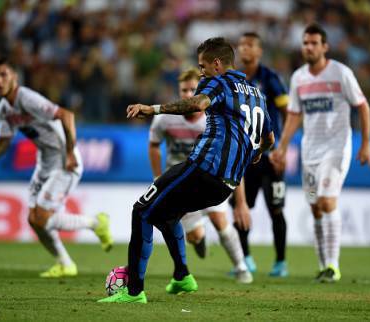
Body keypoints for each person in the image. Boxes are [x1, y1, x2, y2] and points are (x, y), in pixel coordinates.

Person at [99, 37, 274, 304]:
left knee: (142, 211)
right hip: (225, 185)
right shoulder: (258, 95)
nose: (201, 72)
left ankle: (133, 291)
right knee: (168, 215)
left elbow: (197, 104)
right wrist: (256, 153)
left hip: (204, 168)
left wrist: (152, 108)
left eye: (203, 66)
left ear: (217, 64)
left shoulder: (218, 81)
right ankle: (182, 277)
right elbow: (269, 139)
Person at [0, 57, 113, 278]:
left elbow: (66, 115)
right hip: (45, 163)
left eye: (3, 75)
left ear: (14, 76)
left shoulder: (27, 98)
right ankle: (65, 263)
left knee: (41, 216)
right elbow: (4, 141)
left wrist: (70, 152)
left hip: (65, 161)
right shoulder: (4, 109)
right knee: (33, 220)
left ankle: (96, 223)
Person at [272, 23, 370, 283]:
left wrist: (366, 143)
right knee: (315, 206)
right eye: (305, 43)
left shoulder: (341, 73)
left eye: (314, 43)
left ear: (324, 47)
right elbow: (294, 115)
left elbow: (362, 106)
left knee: (327, 201)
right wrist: (282, 147)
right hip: (310, 152)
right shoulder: (298, 78)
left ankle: (333, 265)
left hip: (336, 147)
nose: (309, 47)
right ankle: (323, 265)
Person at [149, 67, 252, 284]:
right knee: (194, 236)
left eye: (192, 90)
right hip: (181, 183)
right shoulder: (166, 120)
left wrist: (241, 202)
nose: (187, 94)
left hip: (211, 178)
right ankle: (200, 239)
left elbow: (233, 160)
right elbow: (154, 145)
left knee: (220, 221)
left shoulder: (215, 120)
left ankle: (241, 267)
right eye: (183, 90)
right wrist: (158, 176)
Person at [230, 32, 290, 277]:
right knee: (239, 205)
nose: (244, 48)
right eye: (242, 44)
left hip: (269, 154)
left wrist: (283, 148)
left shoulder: (271, 78)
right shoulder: (234, 79)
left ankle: (280, 262)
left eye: (250, 45)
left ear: (259, 51)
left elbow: (288, 112)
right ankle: (245, 259)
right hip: (245, 155)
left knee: (275, 208)